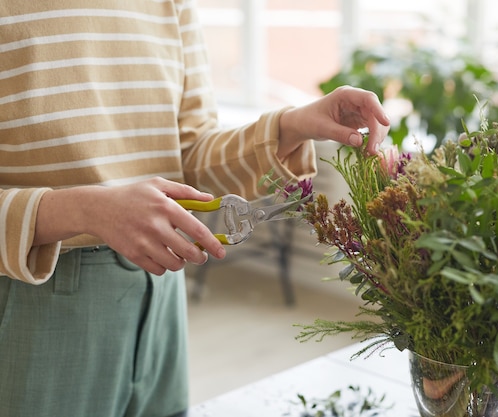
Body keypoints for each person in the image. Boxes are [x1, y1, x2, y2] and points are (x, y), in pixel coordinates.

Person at [0, 2, 390, 417]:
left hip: (161, 288)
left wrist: (292, 126)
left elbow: (189, 155)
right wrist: (86, 209)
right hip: (34, 296)